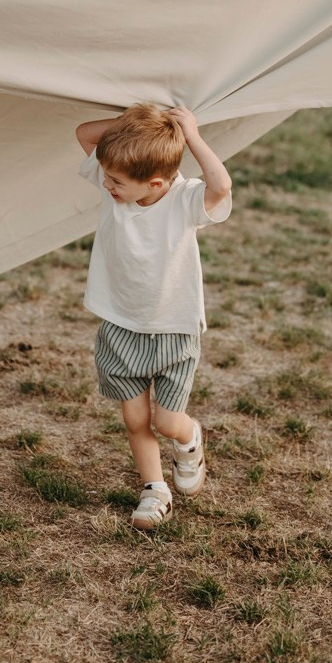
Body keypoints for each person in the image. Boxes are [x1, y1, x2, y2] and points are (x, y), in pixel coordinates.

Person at [75, 103, 232, 530]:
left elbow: (221, 184)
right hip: (121, 324)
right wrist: (143, 123)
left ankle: (189, 438)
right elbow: (85, 132)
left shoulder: (184, 199)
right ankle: (154, 490)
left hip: (173, 330)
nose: (106, 184)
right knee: (135, 419)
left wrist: (189, 134)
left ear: (155, 183)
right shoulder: (117, 181)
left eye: (116, 181)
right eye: (107, 176)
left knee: (166, 422)